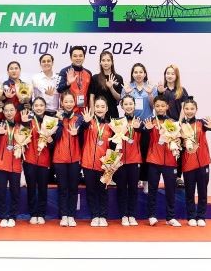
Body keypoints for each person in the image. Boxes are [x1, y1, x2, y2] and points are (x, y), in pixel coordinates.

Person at [144, 95, 181, 227]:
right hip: (154, 160)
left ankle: (170, 217)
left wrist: (178, 140)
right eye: (157, 106)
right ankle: (152, 216)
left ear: (167, 107)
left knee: (171, 190)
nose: (160, 108)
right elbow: (143, 139)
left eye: (162, 106)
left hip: (170, 161)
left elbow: (179, 140)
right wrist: (146, 131)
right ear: (154, 107)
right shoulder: (150, 122)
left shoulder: (173, 122)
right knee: (152, 189)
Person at [179, 98, 211, 227]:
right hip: (188, 163)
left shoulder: (201, 123)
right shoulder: (179, 126)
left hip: (203, 162)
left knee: (202, 191)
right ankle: (191, 216)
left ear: (196, 110)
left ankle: (201, 216)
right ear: (183, 110)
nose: (189, 111)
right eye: (187, 109)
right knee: (189, 192)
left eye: (192, 109)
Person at [78, 96, 112, 227]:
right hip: (88, 163)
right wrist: (85, 122)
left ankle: (102, 216)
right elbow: (79, 132)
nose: (99, 109)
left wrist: (110, 164)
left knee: (103, 191)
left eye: (102, 107)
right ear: (94, 108)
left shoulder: (111, 126)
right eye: (97, 106)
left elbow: (113, 146)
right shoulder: (88, 123)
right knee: (91, 191)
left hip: (104, 165)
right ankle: (94, 215)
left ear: (107, 109)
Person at [0, 102, 25, 227]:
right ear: (3, 112)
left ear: (15, 111)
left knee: (15, 192)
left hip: (15, 164)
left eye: (11, 110)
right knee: (1, 192)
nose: (9, 112)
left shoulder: (21, 127)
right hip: (1, 164)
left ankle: (12, 216)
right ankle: (3, 216)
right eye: (6, 110)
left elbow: (25, 143)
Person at [51, 92, 82, 227]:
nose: (69, 104)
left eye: (71, 101)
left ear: (74, 103)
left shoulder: (79, 118)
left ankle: (71, 215)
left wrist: (79, 131)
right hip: (59, 158)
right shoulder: (55, 118)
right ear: (62, 103)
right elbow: (54, 139)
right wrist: (59, 121)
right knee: (63, 188)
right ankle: (64, 215)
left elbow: (83, 137)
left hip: (75, 158)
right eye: (66, 102)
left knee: (73, 188)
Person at [24, 97, 55, 224]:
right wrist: (24, 125)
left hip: (44, 159)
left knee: (43, 188)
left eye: (41, 105)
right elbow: (21, 139)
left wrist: (51, 141)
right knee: (31, 187)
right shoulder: (28, 121)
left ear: (45, 107)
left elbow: (54, 144)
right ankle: (33, 213)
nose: (39, 107)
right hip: (30, 159)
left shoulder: (50, 122)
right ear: (32, 107)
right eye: (36, 105)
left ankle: (41, 213)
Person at [116, 95, 144, 226]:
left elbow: (145, 142)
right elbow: (112, 142)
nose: (128, 106)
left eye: (130, 104)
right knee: (121, 188)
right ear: (122, 106)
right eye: (125, 104)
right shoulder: (117, 122)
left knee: (133, 188)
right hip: (120, 160)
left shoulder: (140, 121)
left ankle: (132, 215)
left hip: (135, 159)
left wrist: (140, 129)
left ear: (134, 105)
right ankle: (123, 215)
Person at [57, 46, 94, 114]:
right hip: (69, 111)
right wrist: (68, 83)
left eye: (80, 56)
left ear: (84, 57)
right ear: (71, 58)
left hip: (84, 112)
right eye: (75, 56)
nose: (78, 58)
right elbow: (59, 89)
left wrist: (91, 111)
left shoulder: (88, 73)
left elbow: (90, 94)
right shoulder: (64, 71)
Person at [89, 51, 124, 119]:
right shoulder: (95, 78)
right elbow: (91, 97)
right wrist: (92, 114)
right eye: (103, 60)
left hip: (113, 113)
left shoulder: (118, 78)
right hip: (98, 113)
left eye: (108, 60)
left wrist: (111, 88)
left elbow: (119, 98)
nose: (106, 63)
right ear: (100, 62)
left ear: (112, 62)